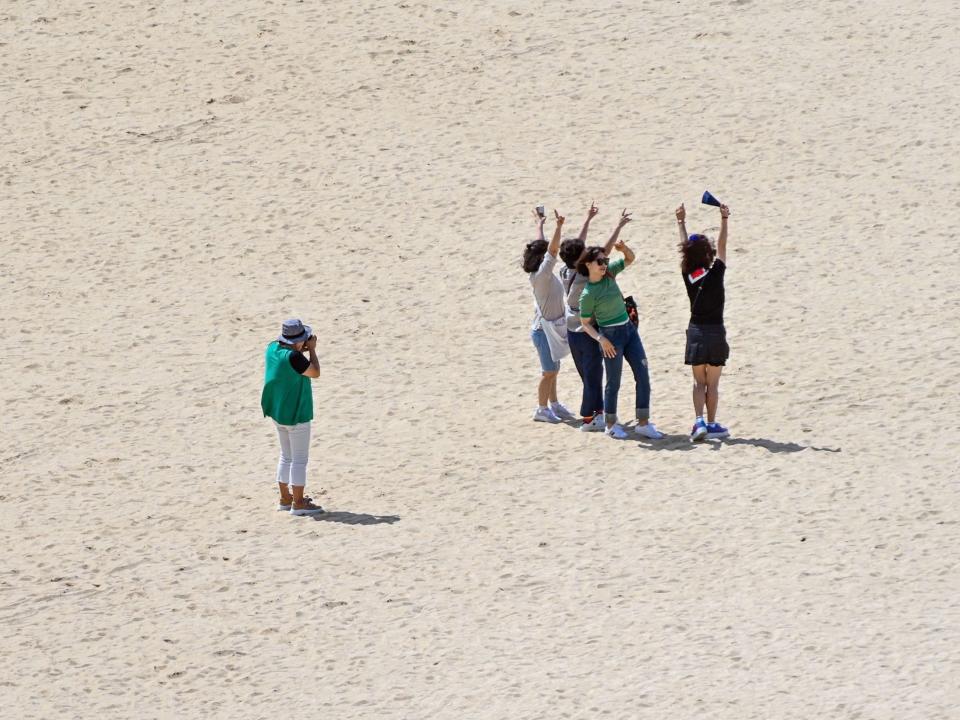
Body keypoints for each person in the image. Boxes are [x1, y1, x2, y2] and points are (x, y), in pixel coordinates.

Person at [577, 229, 664, 440]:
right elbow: (585, 323)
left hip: (629, 331)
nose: (603, 264)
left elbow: (630, 258)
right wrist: (601, 339)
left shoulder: (609, 274)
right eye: (599, 261)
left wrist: (623, 248)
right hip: (610, 337)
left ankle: (643, 423)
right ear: (588, 264)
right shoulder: (588, 295)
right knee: (613, 382)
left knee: (643, 376)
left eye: (604, 260)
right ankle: (610, 424)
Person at [559, 206, 633, 432]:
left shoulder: (565, 270)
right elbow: (605, 250)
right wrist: (618, 226)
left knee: (587, 373)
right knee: (593, 373)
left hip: (570, 329)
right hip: (586, 329)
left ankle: (597, 413)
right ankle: (589, 419)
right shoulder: (583, 274)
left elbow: (577, 245)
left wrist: (588, 219)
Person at [676, 202, 731, 442]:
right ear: (708, 253)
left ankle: (698, 421)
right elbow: (722, 245)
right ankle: (711, 423)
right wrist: (724, 220)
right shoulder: (717, 271)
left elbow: (687, 251)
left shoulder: (688, 274)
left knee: (698, 382)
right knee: (713, 384)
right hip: (716, 331)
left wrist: (681, 223)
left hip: (696, 331)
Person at [261, 318, 325, 515]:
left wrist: (301, 349)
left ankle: (285, 498)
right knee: (299, 460)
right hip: (295, 412)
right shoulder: (296, 358)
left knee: (286, 456)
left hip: (278, 411)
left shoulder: (272, 348)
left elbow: (290, 357)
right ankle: (298, 503)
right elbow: (315, 372)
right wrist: (312, 350)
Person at [524, 208, 576, 423]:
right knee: (548, 372)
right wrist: (559, 227)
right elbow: (552, 251)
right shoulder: (542, 275)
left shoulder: (540, 271)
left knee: (555, 368)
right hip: (543, 331)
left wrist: (540, 225)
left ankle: (553, 403)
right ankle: (541, 409)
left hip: (550, 328)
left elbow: (544, 248)